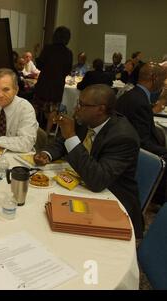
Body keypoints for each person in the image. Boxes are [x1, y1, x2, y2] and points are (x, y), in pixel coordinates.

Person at [34, 84, 143, 238]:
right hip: (83, 185)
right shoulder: (87, 120)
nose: (76, 108)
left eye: (82, 104)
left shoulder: (123, 137)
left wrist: (71, 136)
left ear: (100, 109)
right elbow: (63, 142)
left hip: (113, 204)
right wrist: (47, 154)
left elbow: (97, 180)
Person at [116, 63, 167, 157]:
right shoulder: (140, 103)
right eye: (163, 79)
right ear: (155, 78)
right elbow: (143, 143)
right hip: (134, 156)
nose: (164, 83)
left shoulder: (130, 95)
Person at [33, 26, 73, 133]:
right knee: (52, 111)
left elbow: (40, 66)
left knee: (37, 108)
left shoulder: (48, 49)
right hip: (57, 86)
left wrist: (36, 53)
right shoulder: (68, 53)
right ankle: (46, 133)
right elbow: (67, 71)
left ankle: (34, 130)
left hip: (44, 84)